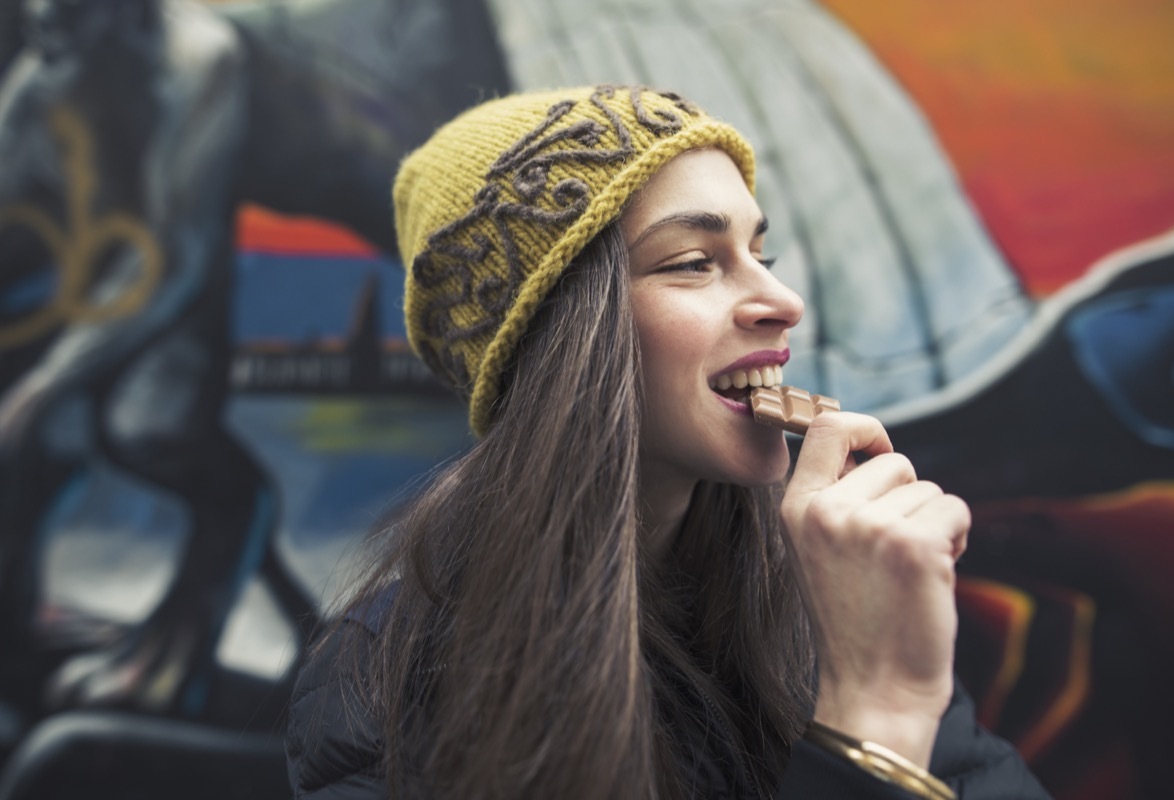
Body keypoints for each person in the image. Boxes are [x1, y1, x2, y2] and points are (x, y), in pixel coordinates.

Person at [285, 84, 1051, 800]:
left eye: (763, 255)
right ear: (557, 342)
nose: (783, 302)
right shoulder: (382, 683)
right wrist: (872, 725)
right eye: (694, 262)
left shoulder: (827, 606)